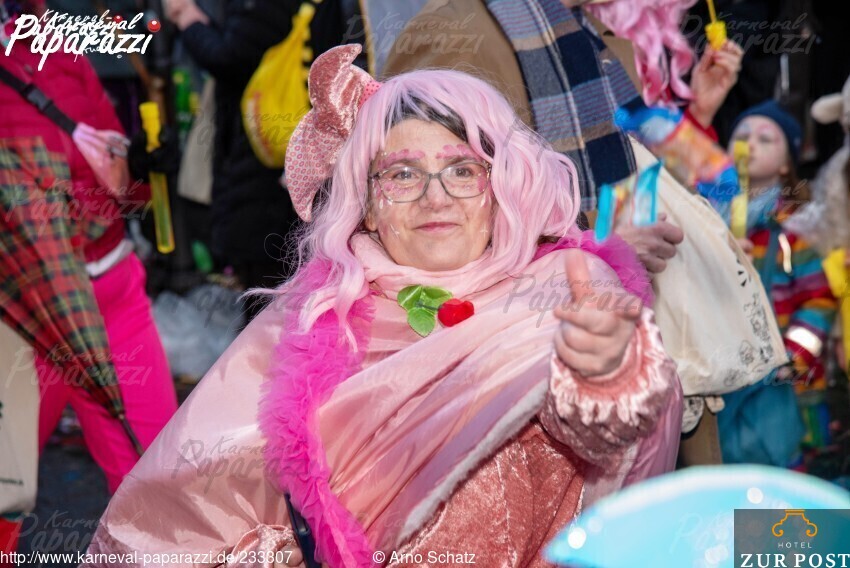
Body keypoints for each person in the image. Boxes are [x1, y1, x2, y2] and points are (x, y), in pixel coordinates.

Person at [84, 45, 683, 567]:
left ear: (500, 187)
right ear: (367, 206)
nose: (435, 197)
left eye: (463, 170)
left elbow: (618, 446)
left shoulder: (564, 287)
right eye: (402, 175)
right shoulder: (312, 318)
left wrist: (607, 375)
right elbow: (195, 510)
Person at [380, 0, 744, 465]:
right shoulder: (451, 33)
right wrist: (600, 251)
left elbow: (664, 170)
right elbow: (427, 221)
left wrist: (700, 113)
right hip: (539, 408)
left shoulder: (593, 31)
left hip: (652, 350)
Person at [0, 0, 177, 555]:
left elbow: (120, 176)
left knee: (158, 490)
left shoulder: (51, 42)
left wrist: (139, 170)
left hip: (114, 298)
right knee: (2, 498)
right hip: (26, 324)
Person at [719, 100, 837, 468]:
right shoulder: (711, 219)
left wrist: (793, 357)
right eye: (741, 136)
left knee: (788, 468)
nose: (749, 144)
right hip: (731, 375)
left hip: (786, 383)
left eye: (765, 138)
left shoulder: (794, 228)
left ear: (787, 163)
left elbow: (818, 301)